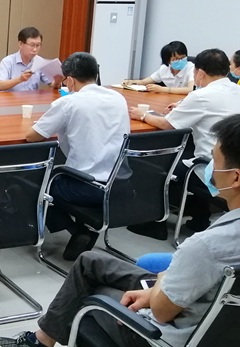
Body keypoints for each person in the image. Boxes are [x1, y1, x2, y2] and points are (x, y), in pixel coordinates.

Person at [0, 113, 240, 347]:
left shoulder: (206, 247)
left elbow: (162, 312)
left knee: (90, 295)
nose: (211, 168)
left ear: (235, 177)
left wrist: (162, 281)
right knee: (91, 262)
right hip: (225, 345)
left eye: (215, 160)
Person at [27, 52, 130, 260]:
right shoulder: (118, 98)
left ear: (71, 80)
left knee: (32, 181)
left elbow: (32, 136)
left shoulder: (69, 103)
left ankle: (77, 230)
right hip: (120, 183)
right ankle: (84, 226)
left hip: (86, 187)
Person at [129, 49, 240, 235]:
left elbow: (167, 124)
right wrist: (183, 106)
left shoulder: (201, 96)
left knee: (160, 166)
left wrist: (143, 115)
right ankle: (200, 218)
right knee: (188, 156)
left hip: (213, 166)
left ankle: (156, 224)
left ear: (200, 73)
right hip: (233, 163)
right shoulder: (236, 89)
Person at [0, 27, 63, 92]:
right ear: (21, 44)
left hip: (32, 99)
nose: (35, 49)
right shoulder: (8, 61)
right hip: (10, 99)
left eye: (38, 45)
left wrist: (57, 81)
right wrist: (20, 79)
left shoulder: (40, 61)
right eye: (32, 45)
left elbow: (52, 85)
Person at [122, 40, 195, 95]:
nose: (180, 61)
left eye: (182, 57)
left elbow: (190, 89)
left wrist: (162, 89)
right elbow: (143, 82)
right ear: (167, 61)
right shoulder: (164, 69)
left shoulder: (191, 68)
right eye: (175, 59)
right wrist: (131, 82)